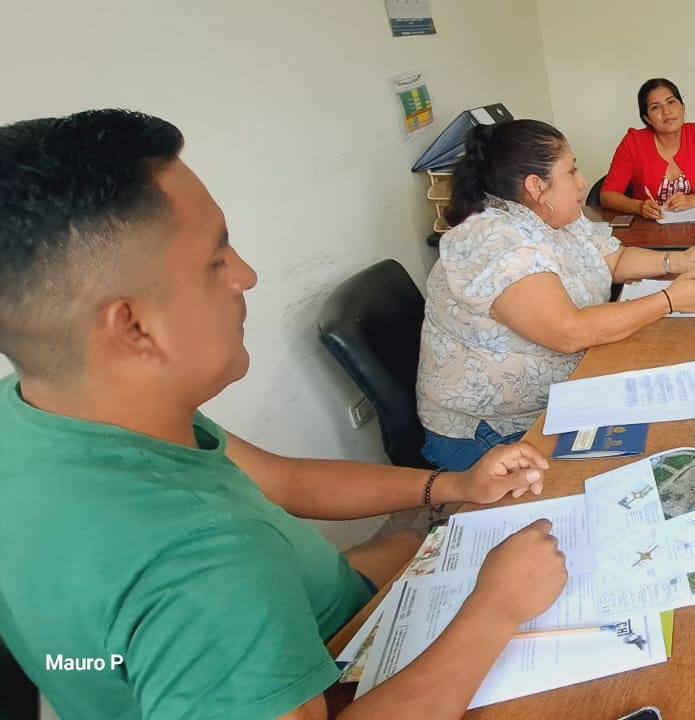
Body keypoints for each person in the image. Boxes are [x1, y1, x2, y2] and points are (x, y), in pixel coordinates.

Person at [0, 109, 570, 720]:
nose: (246, 276)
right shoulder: (202, 562)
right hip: (319, 676)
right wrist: (495, 610)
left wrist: (454, 485)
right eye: (216, 259)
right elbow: (216, 582)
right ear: (135, 327)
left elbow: (281, 479)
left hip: (294, 623)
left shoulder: (58, 406)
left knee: (409, 545)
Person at [419, 119, 695, 471]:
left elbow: (614, 260)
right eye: (571, 171)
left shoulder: (558, 216)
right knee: (646, 461)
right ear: (536, 186)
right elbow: (570, 332)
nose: (582, 181)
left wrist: (678, 261)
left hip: (569, 393)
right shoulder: (497, 240)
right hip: (493, 430)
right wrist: (668, 301)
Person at [599, 78, 695, 220]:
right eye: (656, 107)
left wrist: (694, 199)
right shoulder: (634, 142)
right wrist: (639, 207)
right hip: (647, 226)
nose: (666, 111)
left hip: (692, 223)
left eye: (671, 102)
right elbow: (608, 195)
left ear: (683, 108)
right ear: (647, 118)